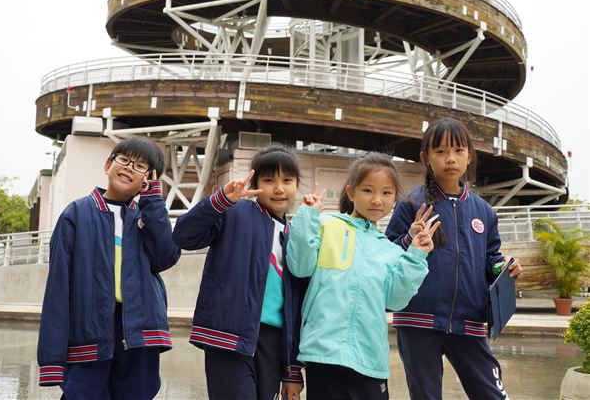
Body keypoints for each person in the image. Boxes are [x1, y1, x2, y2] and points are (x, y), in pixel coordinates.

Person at [385, 117, 523, 400]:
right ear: (425, 158)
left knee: (492, 394)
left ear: (469, 156)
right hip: (418, 320)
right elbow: (388, 254)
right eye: (441, 151)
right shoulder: (411, 204)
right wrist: (410, 238)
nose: (450, 158)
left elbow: (491, 259)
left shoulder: (483, 211)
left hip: (468, 321)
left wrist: (504, 267)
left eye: (458, 150)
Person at [37, 136, 181, 400]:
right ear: (107, 165)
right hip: (89, 330)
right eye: (124, 160)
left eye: (140, 166)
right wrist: (52, 360)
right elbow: (58, 288)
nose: (128, 168)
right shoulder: (76, 214)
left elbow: (166, 257)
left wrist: (153, 203)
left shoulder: (148, 218)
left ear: (149, 179)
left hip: (138, 334)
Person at [287, 152, 437, 400]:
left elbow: (395, 300)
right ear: (351, 192)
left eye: (386, 193)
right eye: (368, 190)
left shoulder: (390, 250)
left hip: (370, 360)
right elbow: (300, 266)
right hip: (323, 354)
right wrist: (307, 216)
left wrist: (415, 256)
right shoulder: (325, 225)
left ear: (394, 199)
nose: (377, 200)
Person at [172, 145, 307, 400]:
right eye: (269, 180)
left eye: (287, 181)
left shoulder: (297, 236)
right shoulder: (234, 212)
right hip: (228, 337)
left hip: (272, 344)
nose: (279, 189)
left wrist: (292, 370)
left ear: (297, 185)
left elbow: (296, 308)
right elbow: (184, 236)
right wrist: (221, 200)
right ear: (255, 184)